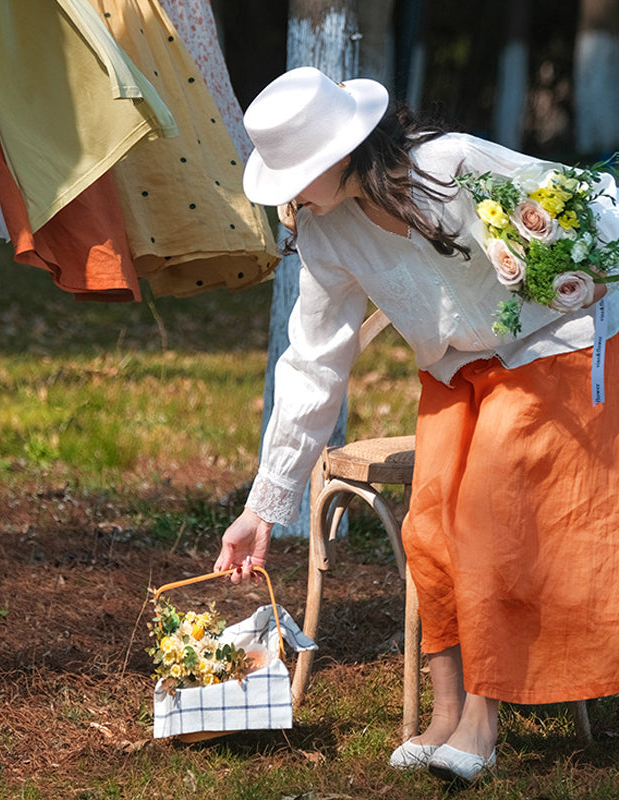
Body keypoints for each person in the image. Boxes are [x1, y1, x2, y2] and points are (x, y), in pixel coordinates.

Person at [214, 66, 619, 784]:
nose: (290, 193)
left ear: (346, 150)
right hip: (456, 371)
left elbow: (589, 214)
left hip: (554, 346)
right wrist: (262, 507)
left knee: (492, 514)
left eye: (298, 173)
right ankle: (444, 710)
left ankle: (483, 722)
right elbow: (311, 365)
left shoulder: (451, 166)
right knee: (429, 526)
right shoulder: (324, 232)